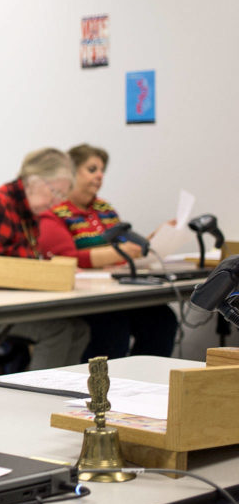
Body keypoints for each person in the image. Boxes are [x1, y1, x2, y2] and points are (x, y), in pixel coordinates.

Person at [38, 143, 177, 359]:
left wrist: (155, 239)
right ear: (71, 172)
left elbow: (127, 245)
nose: (100, 176)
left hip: (115, 292)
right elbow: (66, 258)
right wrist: (118, 253)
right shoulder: (54, 212)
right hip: (83, 298)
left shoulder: (104, 209)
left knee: (163, 318)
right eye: (92, 170)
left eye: (102, 171)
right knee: (113, 327)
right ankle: (104, 386)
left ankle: (143, 382)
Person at [0, 147, 90, 369]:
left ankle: (60, 395)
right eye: (56, 193)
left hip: (14, 302)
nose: (57, 203)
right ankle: (38, 396)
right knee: (59, 331)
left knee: (80, 330)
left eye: (62, 196)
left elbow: (26, 261)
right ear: (34, 181)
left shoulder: (29, 211)